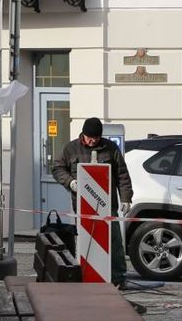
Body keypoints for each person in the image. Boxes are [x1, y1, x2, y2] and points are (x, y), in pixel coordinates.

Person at [52, 117, 133, 288]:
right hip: (82, 205)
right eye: (89, 138)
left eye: (96, 138)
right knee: (84, 241)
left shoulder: (111, 148)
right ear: (83, 134)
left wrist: (126, 198)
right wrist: (70, 182)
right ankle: (85, 273)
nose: (92, 141)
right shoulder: (71, 148)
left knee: (114, 242)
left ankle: (118, 277)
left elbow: (122, 175)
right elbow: (58, 168)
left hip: (107, 205)